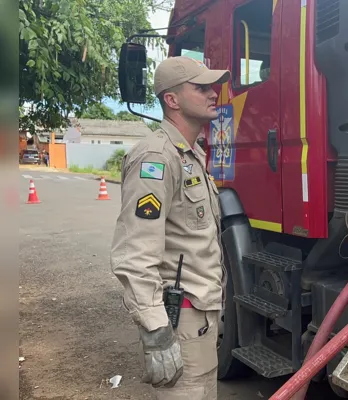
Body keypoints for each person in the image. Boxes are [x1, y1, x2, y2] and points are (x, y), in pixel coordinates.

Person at [110, 56, 229, 399]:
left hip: (203, 321)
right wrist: (156, 330)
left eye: (213, 86)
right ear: (172, 100)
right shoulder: (156, 159)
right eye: (201, 87)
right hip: (181, 323)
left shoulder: (192, 156)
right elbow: (135, 253)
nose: (213, 93)